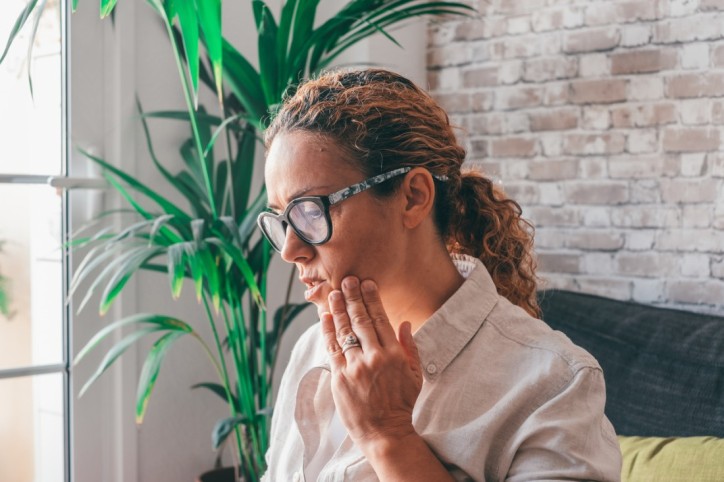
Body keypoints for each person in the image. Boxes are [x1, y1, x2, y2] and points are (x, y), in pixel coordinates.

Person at [257, 68, 622, 481]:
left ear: (413, 197)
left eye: (310, 211)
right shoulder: (313, 350)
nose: (290, 250)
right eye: (281, 220)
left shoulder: (554, 384)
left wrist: (388, 435)